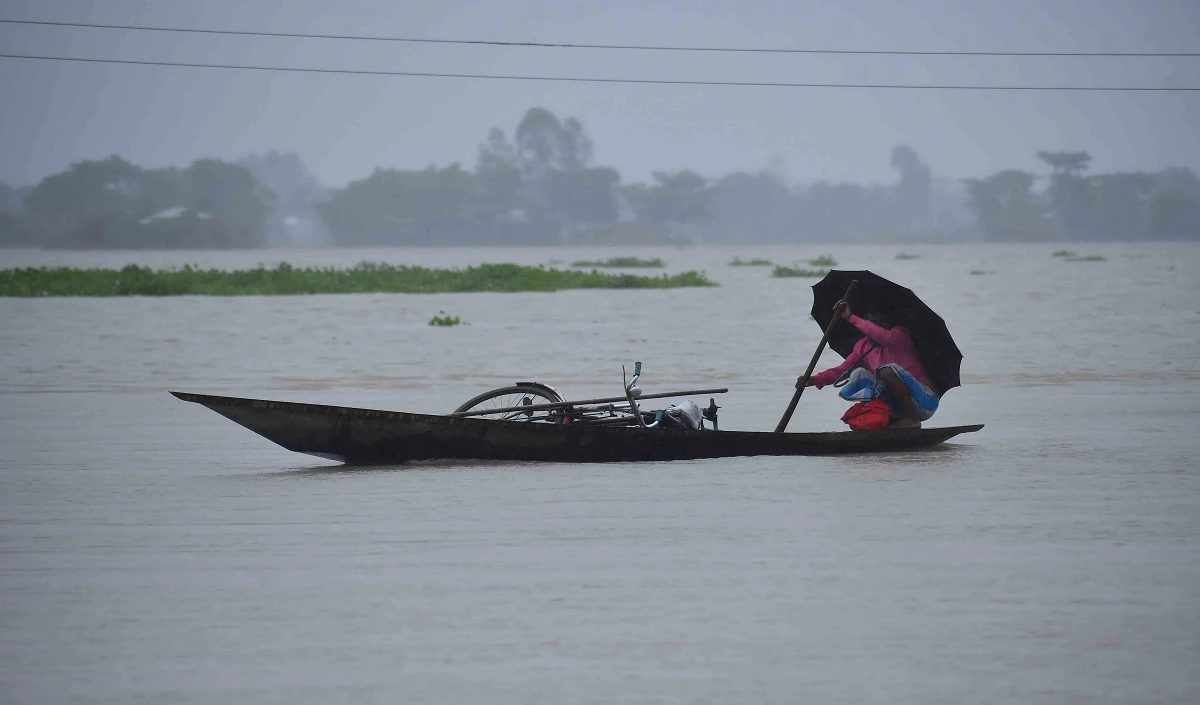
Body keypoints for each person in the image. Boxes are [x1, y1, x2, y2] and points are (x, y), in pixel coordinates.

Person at [801, 299, 939, 428]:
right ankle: (885, 420)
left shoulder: (899, 335)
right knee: (859, 374)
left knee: (886, 371)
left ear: (886, 323)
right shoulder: (863, 346)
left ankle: (912, 420)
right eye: (871, 322)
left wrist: (850, 317)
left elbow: (881, 335)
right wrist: (813, 380)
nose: (874, 327)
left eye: (878, 323)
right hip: (897, 405)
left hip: (924, 401)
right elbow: (841, 371)